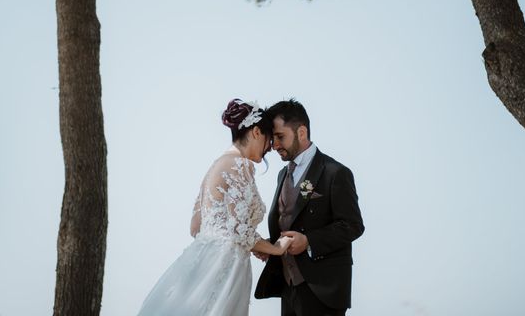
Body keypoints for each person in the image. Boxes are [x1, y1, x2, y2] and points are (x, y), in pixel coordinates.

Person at [138, 99, 293, 316]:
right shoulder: (241, 164)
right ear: (256, 132)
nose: (270, 147)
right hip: (226, 266)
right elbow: (239, 231)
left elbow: (196, 226)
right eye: (269, 139)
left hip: (202, 261)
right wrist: (276, 248)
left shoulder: (217, 164)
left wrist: (249, 244)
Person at [254, 99, 364, 316]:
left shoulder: (335, 172)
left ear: (301, 132)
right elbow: (290, 219)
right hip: (288, 287)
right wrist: (272, 246)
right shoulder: (282, 175)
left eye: (280, 137)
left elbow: (353, 225)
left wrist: (309, 241)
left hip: (324, 289)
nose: (274, 145)